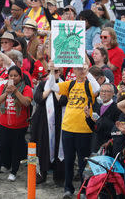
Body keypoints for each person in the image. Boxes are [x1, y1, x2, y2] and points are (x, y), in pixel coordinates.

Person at [47, 63, 100, 198]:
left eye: (81, 68)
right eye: (77, 68)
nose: (80, 71)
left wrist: (87, 72)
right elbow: (52, 86)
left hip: (84, 129)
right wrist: (52, 71)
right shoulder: (70, 84)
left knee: (84, 162)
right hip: (68, 127)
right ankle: (68, 188)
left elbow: (97, 89)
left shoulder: (89, 84)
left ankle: (83, 189)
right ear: (73, 70)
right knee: (69, 161)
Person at [0, 66, 33, 182]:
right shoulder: (3, 87)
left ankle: (14, 172)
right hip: (3, 124)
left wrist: (16, 91)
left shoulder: (26, 88)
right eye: (11, 76)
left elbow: (26, 102)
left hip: (19, 126)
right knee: (0, 148)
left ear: (20, 76)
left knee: (16, 149)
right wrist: (6, 93)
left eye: (15, 75)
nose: (13, 78)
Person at [31, 63, 65, 185]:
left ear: (59, 72)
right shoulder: (42, 84)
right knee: (40, 147)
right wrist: (50, 87)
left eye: (55, 71)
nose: (53, 74)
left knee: (59, 147)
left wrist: (55, 87)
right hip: (42, 121)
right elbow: (38, 98)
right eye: (50, 71)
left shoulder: (64, 84)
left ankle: (59, 175)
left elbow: (62, 100)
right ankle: (41, 174)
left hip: (59, 120)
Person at [85, 82, 121, 154]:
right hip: (96, 144)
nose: (104, 93)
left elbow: (116, 129)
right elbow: (94, 128)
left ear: (113, 93)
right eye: (102, 91)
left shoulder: (117, 108)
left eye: (107, 91)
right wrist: (88, 117)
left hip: (108, 146)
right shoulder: (98, 107)